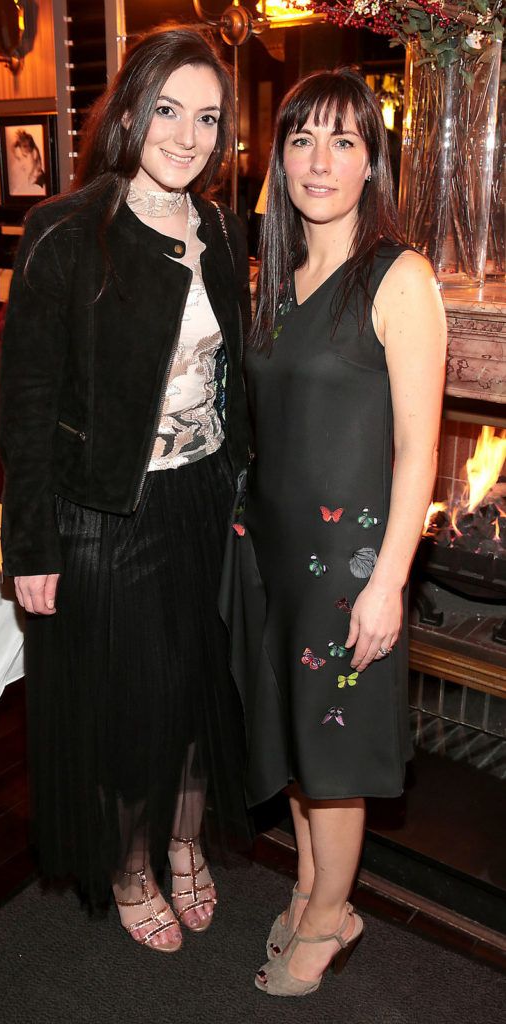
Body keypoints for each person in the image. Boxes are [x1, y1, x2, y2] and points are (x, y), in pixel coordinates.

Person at [0, 25, 250, 953]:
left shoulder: (221, 225)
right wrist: (32, 547)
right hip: (107, 512)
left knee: (197, 693)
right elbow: (24, 406)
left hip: (203, 501)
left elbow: (234, 378)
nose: (188, 136)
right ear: (130, 110)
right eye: (169, 110)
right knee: (134, 708)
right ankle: (133, 862)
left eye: (208, 118)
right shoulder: (66, 228)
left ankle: (187, 846)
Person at [221, 68, 446, 995]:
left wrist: (389, 579)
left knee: (336, 747)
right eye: (303, 138)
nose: (320, 160)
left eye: (344, 141)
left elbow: (419, 451)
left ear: (371, 163)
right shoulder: (271, 270)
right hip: (270, 549)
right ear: (279, 158)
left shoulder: (401, 275)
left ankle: (326, 921)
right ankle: (317, 887)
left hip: (348, 562)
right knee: (300, 743)